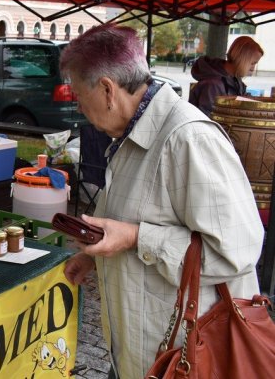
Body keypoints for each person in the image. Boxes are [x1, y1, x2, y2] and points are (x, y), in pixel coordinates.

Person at [59, 24, 263, 379]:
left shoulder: (189, 138)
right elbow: (132, 214)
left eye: (79, 95)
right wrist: (92, 256)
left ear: (107, 90)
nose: (78, 106)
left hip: (187, 357)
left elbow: (237, 252)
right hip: (139, 351)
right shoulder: (130, 133)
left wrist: (136, 238)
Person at [189, 36, 264, 116]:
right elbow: (207, 119)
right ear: (242, 59)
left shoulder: (234, 79)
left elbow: (242, 99)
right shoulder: (213, 84)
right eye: (252, 63)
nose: (253, 68)